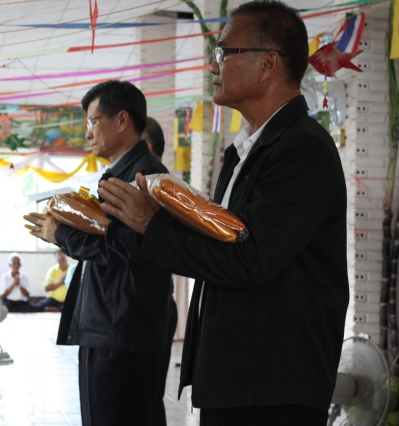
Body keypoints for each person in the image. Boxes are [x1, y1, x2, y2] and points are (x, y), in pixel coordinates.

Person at [96, 2, 348, 425]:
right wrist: (162, 217)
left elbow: (251, 260)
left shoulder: (301, 150)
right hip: (240, 373)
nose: (213, 65)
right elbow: (223, 246)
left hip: (273, 383)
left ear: (268, 64)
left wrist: (151, 224)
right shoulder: (247, 152)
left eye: (224, 52)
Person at [24, 80, 173, 426]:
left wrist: (61, 234)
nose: (88, 133)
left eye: (93, 121)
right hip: (114, 324)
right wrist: (65, 226)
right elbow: (111, 238)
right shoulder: (123, 172)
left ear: (121, 120)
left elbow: (125, 247)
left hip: (122, 329)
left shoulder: (143, 175)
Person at [141, 115, 180, 398]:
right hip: (146, 306)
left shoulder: (157, 185)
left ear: (145, 147)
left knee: (146, 399)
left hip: (152, 308)